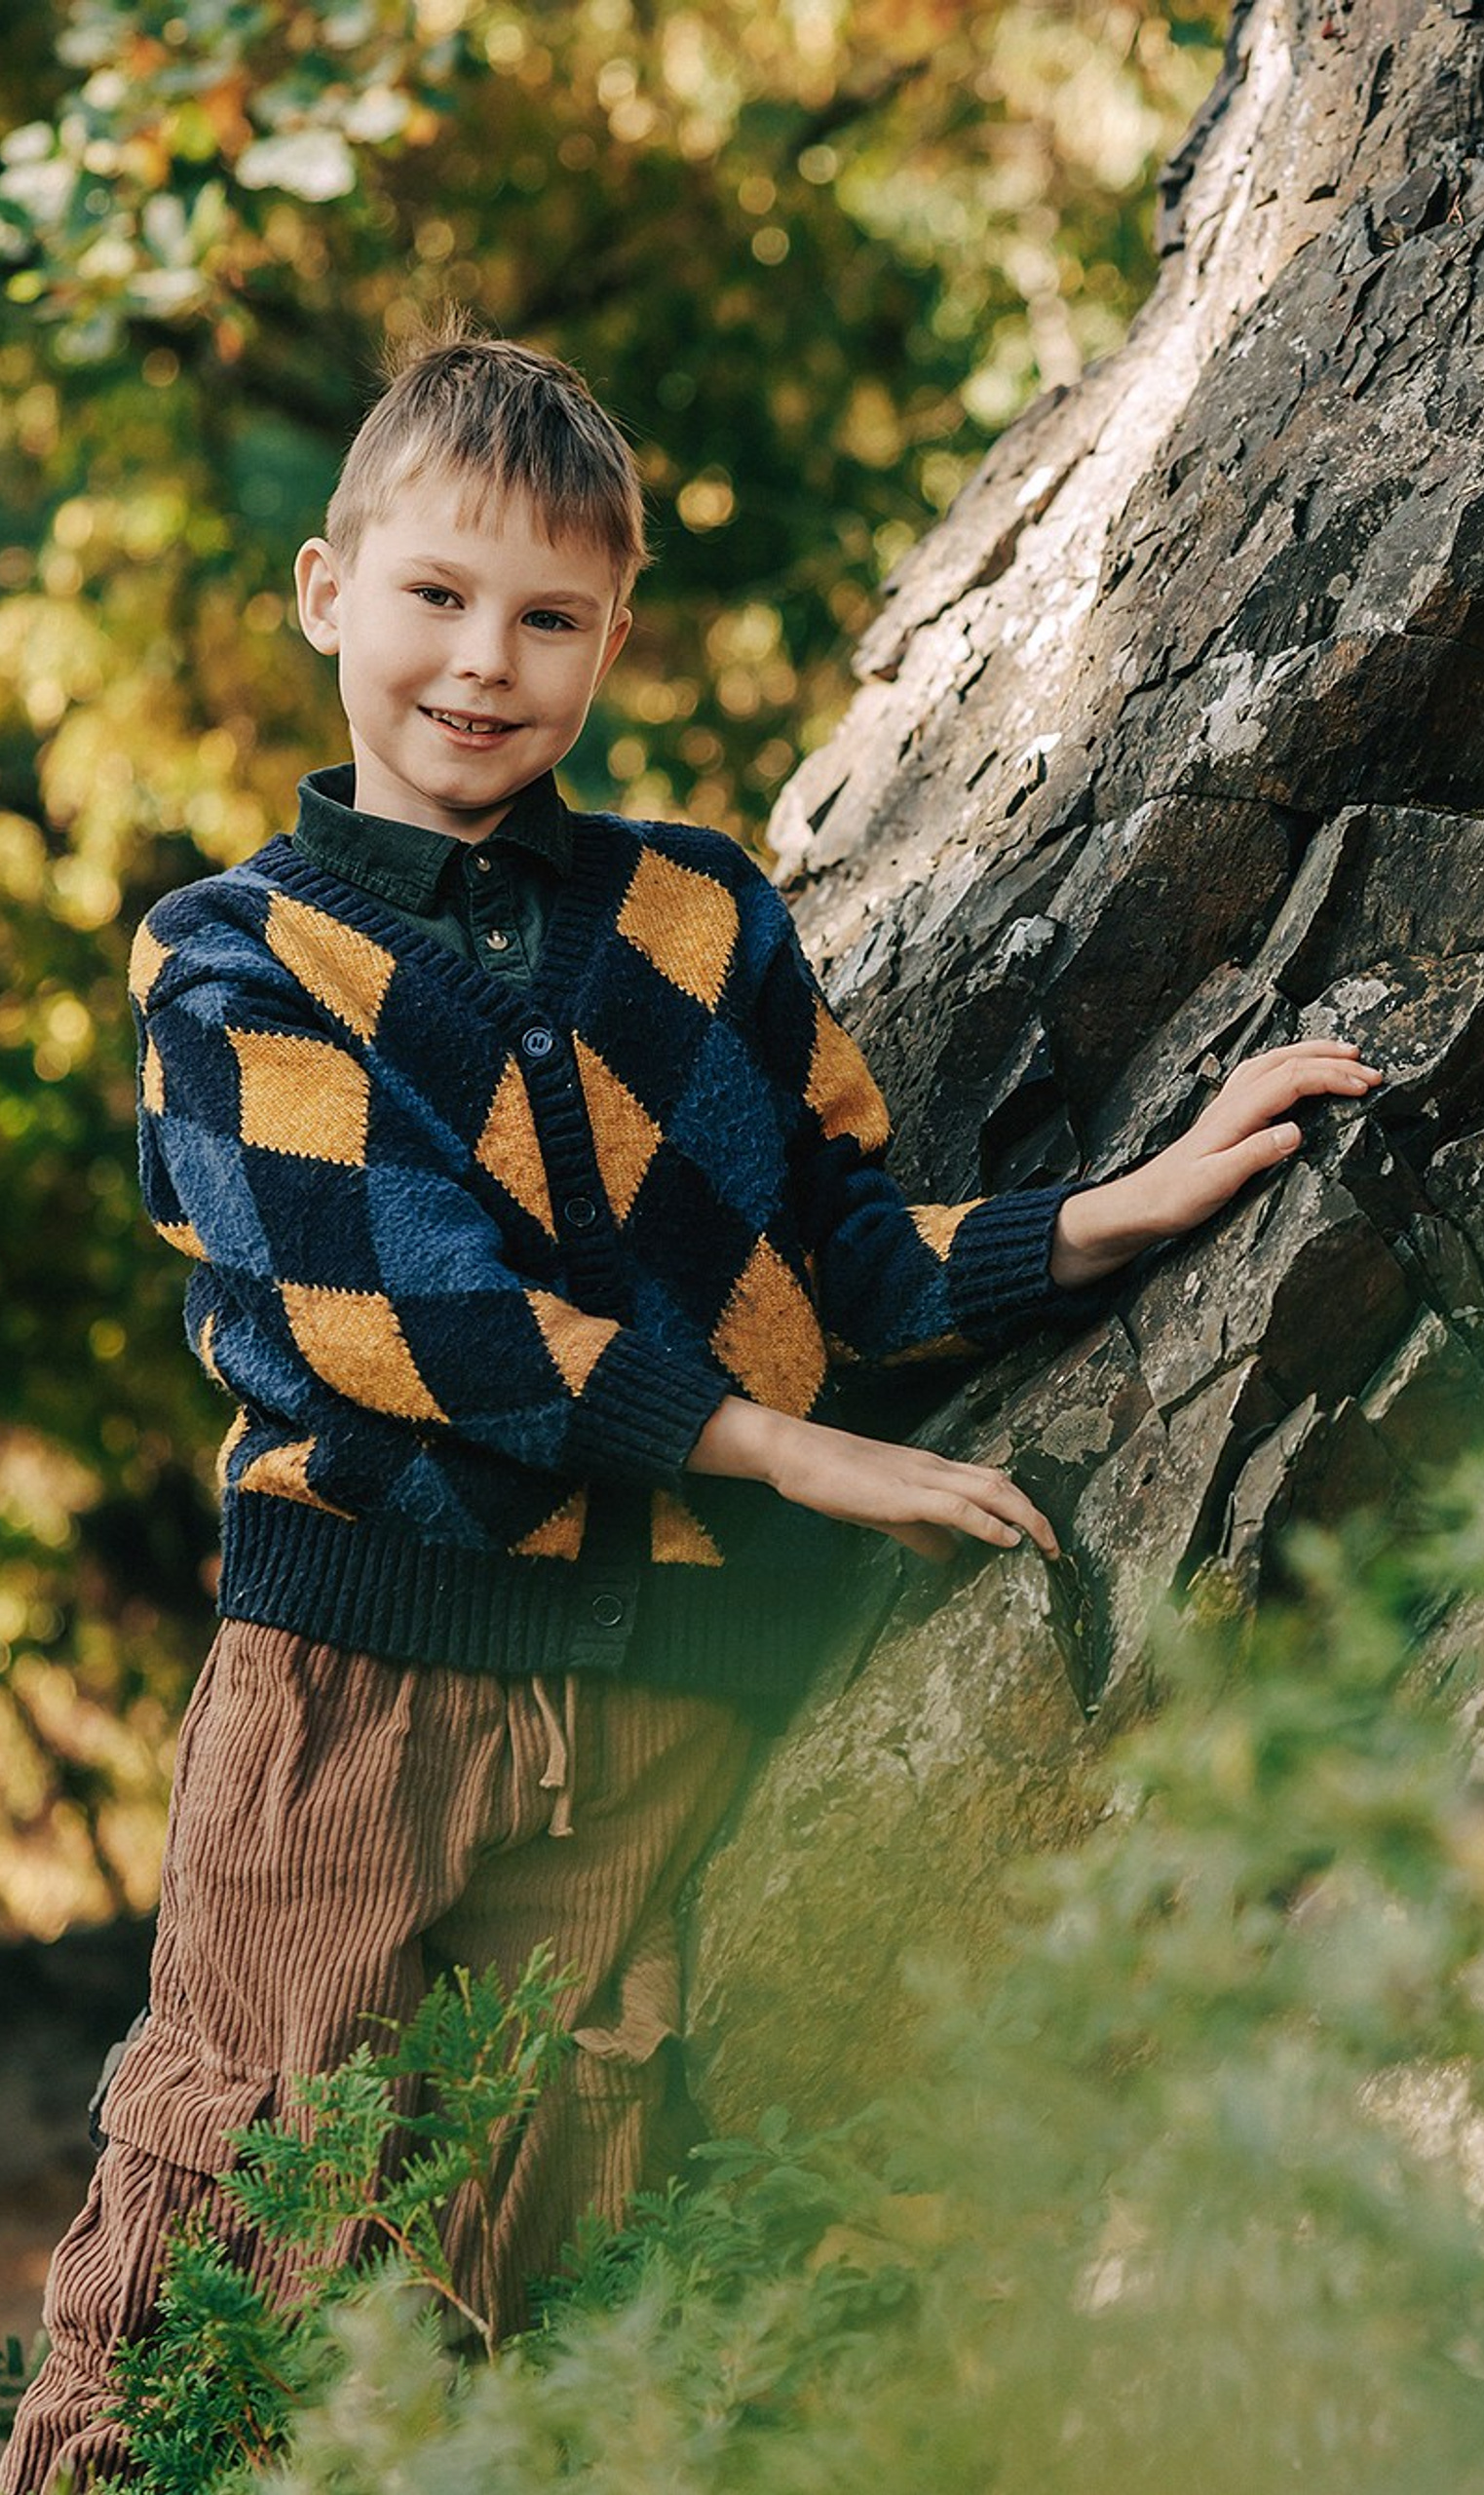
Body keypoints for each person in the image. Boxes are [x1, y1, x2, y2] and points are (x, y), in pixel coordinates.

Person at [2, 320, 1379, 2492]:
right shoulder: (237, 967)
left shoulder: (699, 918)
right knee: (236, 2177)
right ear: (324, 594)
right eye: (437, 597)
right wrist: (759, 1445)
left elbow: (821, 1264)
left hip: (661, 1705)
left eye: (548, 616)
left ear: (612, 634)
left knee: (524, 2215)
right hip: (365, 1666)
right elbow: (408, 1313)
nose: (484, 660)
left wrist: (1126, 1205)